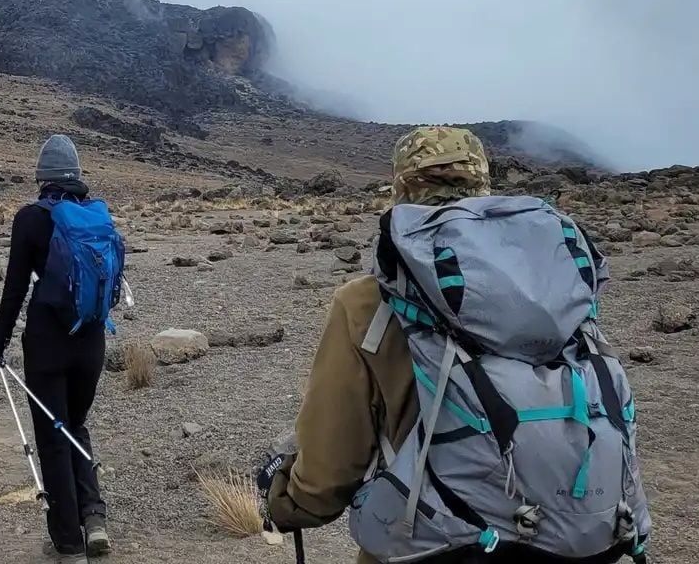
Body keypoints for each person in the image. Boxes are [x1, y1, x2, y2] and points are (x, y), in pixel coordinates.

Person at [261, 126, 649, 563]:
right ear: (484, 186)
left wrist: (287, 503)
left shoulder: (370, 301)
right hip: (572, 537)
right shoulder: (553, 289)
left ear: (400, 187)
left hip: (436, 545)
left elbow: (332, 462)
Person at [0, 134, 111, 560]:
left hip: (46, 349)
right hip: (90, 345)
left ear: (42, 176)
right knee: (75, 425)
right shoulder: (96, 217)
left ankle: (68, 542)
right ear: (76, 175)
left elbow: (15, 290)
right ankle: (94, 518)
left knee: (53, 438)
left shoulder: (30, 220)